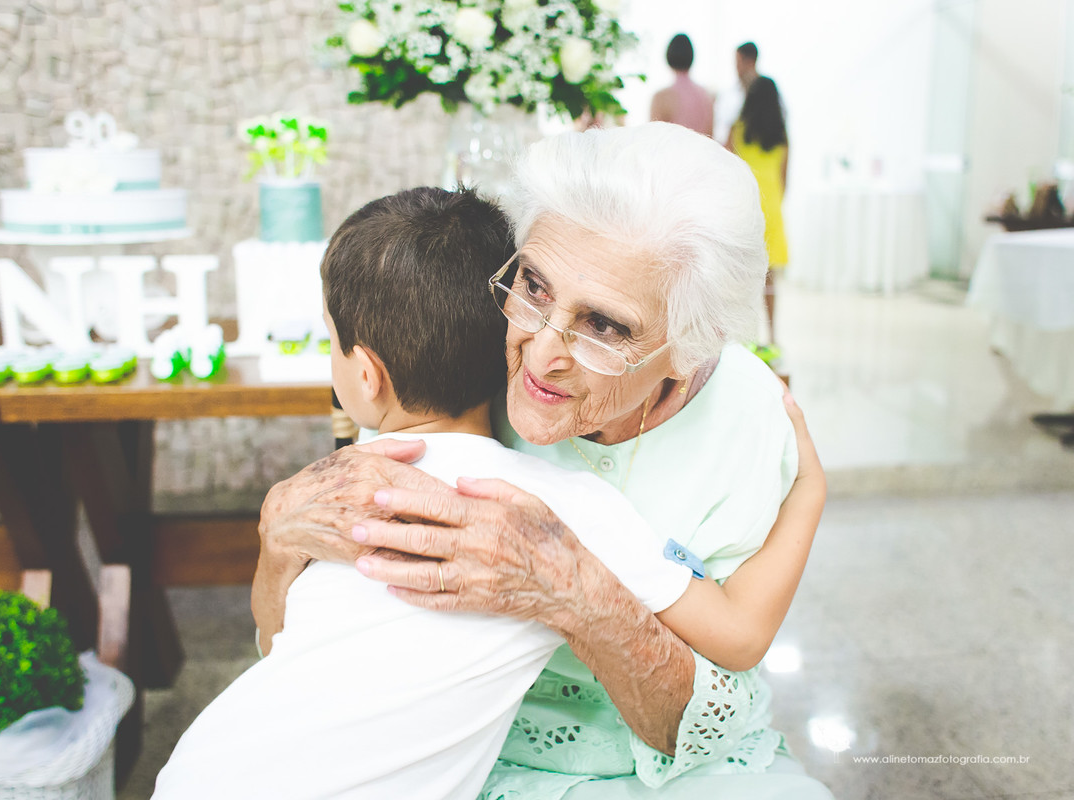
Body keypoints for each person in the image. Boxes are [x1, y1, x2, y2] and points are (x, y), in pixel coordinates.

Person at [253, 123, 833, 799]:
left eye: (604, 326)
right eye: (534, 283)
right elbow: (304, 639)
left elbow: (728, 659)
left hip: (677, 766)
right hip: (467, 752)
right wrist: (275, 541)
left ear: (690, 347)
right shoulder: (469, 358)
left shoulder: (748, 420)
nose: (541, 351)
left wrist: (582, 595)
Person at [729, 76, 790, 348]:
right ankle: (773, 336)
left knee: (741, 276)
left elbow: (725, 167)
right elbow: (784, 178)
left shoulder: (738, 130)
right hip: (772, 208)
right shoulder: (781, 136)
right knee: (770, 280)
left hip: (747, 206)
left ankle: (743, 338)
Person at [649, 34, 713, 136]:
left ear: (668, 56)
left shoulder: (662, 97)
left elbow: (653, 139)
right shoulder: (707, 96)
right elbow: (711, 137)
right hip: (701, 151)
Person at [714, 41, 761, 144]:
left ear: (750, 62)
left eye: (738, 62)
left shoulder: (768, 92)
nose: (736, 68)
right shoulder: (730, 94)